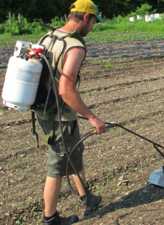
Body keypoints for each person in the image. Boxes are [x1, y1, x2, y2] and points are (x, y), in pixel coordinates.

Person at [34, 0, 106, 224]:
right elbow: (66, 90)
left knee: (74, 153)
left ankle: (86, 197)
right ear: (85, 17)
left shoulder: (47, 37)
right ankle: (50, 218)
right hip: (59, 116)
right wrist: (92, 117)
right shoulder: (75, 46)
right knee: (57, 166)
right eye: (93, 21)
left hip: (44, 109)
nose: (93, 27)